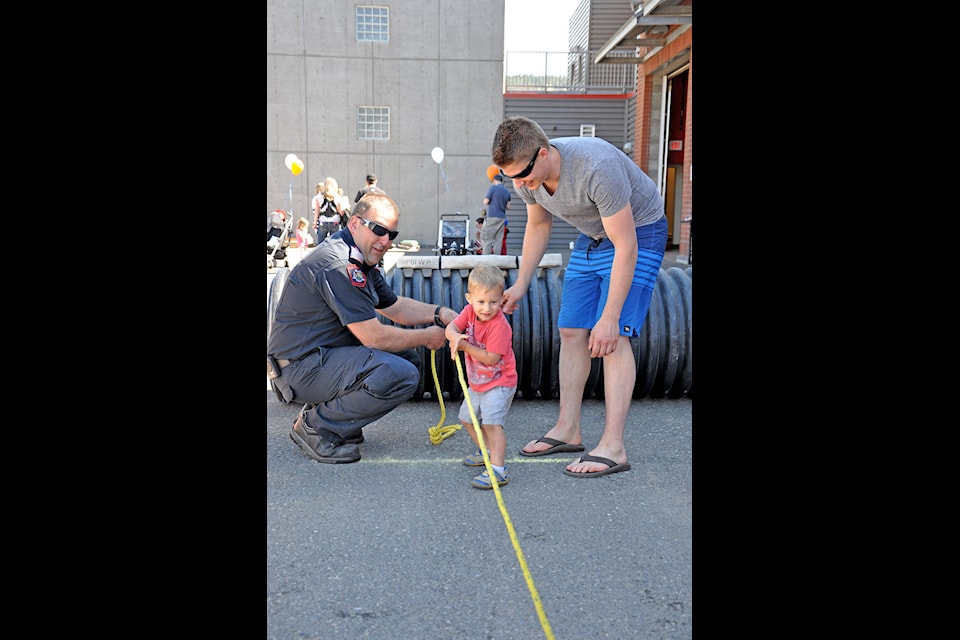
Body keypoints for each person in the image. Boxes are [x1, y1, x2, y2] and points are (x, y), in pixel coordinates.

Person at [490, 116, 667, 479]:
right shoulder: (526, 177)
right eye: (511, 178)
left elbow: (626, 244)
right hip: (593, 235)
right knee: (571, 330)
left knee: (612, 337)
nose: (520, 185)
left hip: (639, 232)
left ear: (543, 154)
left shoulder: (595, 167)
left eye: (523, 175)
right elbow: (539, 225)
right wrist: (522, 283)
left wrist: (610, 315)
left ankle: (613, 447)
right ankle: (568, 428)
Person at [267, 193, 459, 464]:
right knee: (400, 374)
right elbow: (374, 337)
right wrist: (428, 337)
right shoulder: (339, 265)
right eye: (379, 230)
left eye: (392, 234)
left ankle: (338, 419)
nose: (385, 240)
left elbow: (395, 307)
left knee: (406, 359)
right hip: (297, 370)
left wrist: (441, 314)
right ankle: (318, 426)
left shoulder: (360, 259)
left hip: (315, 360)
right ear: (355, 223)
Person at [443, 265, 517, 489]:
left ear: (502, 299)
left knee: (492, 424)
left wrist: (463, 345)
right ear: (470, 298)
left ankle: (498, 470)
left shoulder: (500, 326)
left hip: (499, 382)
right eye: (481, 302)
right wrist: (454, 336)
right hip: (478, 382)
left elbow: (491, 358)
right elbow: (451, 327)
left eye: (494, 302)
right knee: (467, 418)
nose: (487, 308)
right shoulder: (469, 312)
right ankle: (486, 452)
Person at [480, 173, 511, 255]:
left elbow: (486, 201)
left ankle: (486, 260)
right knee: (498, 239)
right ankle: (497, 260)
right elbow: (508, 206)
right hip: (502, 217)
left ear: (494, 181)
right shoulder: (507, 191)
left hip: (492, 216)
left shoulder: (493, 188)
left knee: (487, 238)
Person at [314, 177, 342, 243]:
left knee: (321, 243)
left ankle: (321, 253)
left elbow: (317, 211)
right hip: (335, 221)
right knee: (335, 243)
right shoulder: (337, 196)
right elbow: (340, 211)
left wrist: (315, 223)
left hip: (323, 222)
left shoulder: (319, 196)